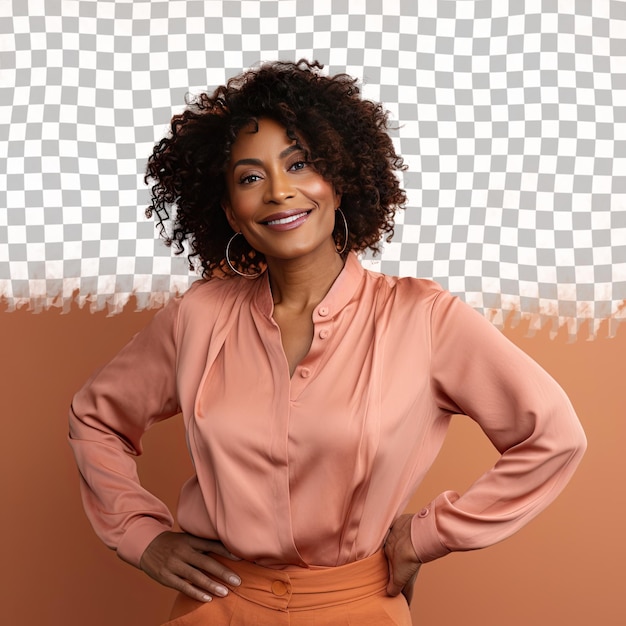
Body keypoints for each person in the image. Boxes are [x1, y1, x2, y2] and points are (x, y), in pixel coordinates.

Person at [69, 60, 586, 625]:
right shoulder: (197, 316)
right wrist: (141, 535)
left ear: (340, 180)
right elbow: (97, 419)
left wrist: (427, 535)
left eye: (300, 164)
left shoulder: (425, 319)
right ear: (230, 214)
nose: (280, 192)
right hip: (214, 611)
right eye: (250, 177)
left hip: (356, 609)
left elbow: (553, 437)